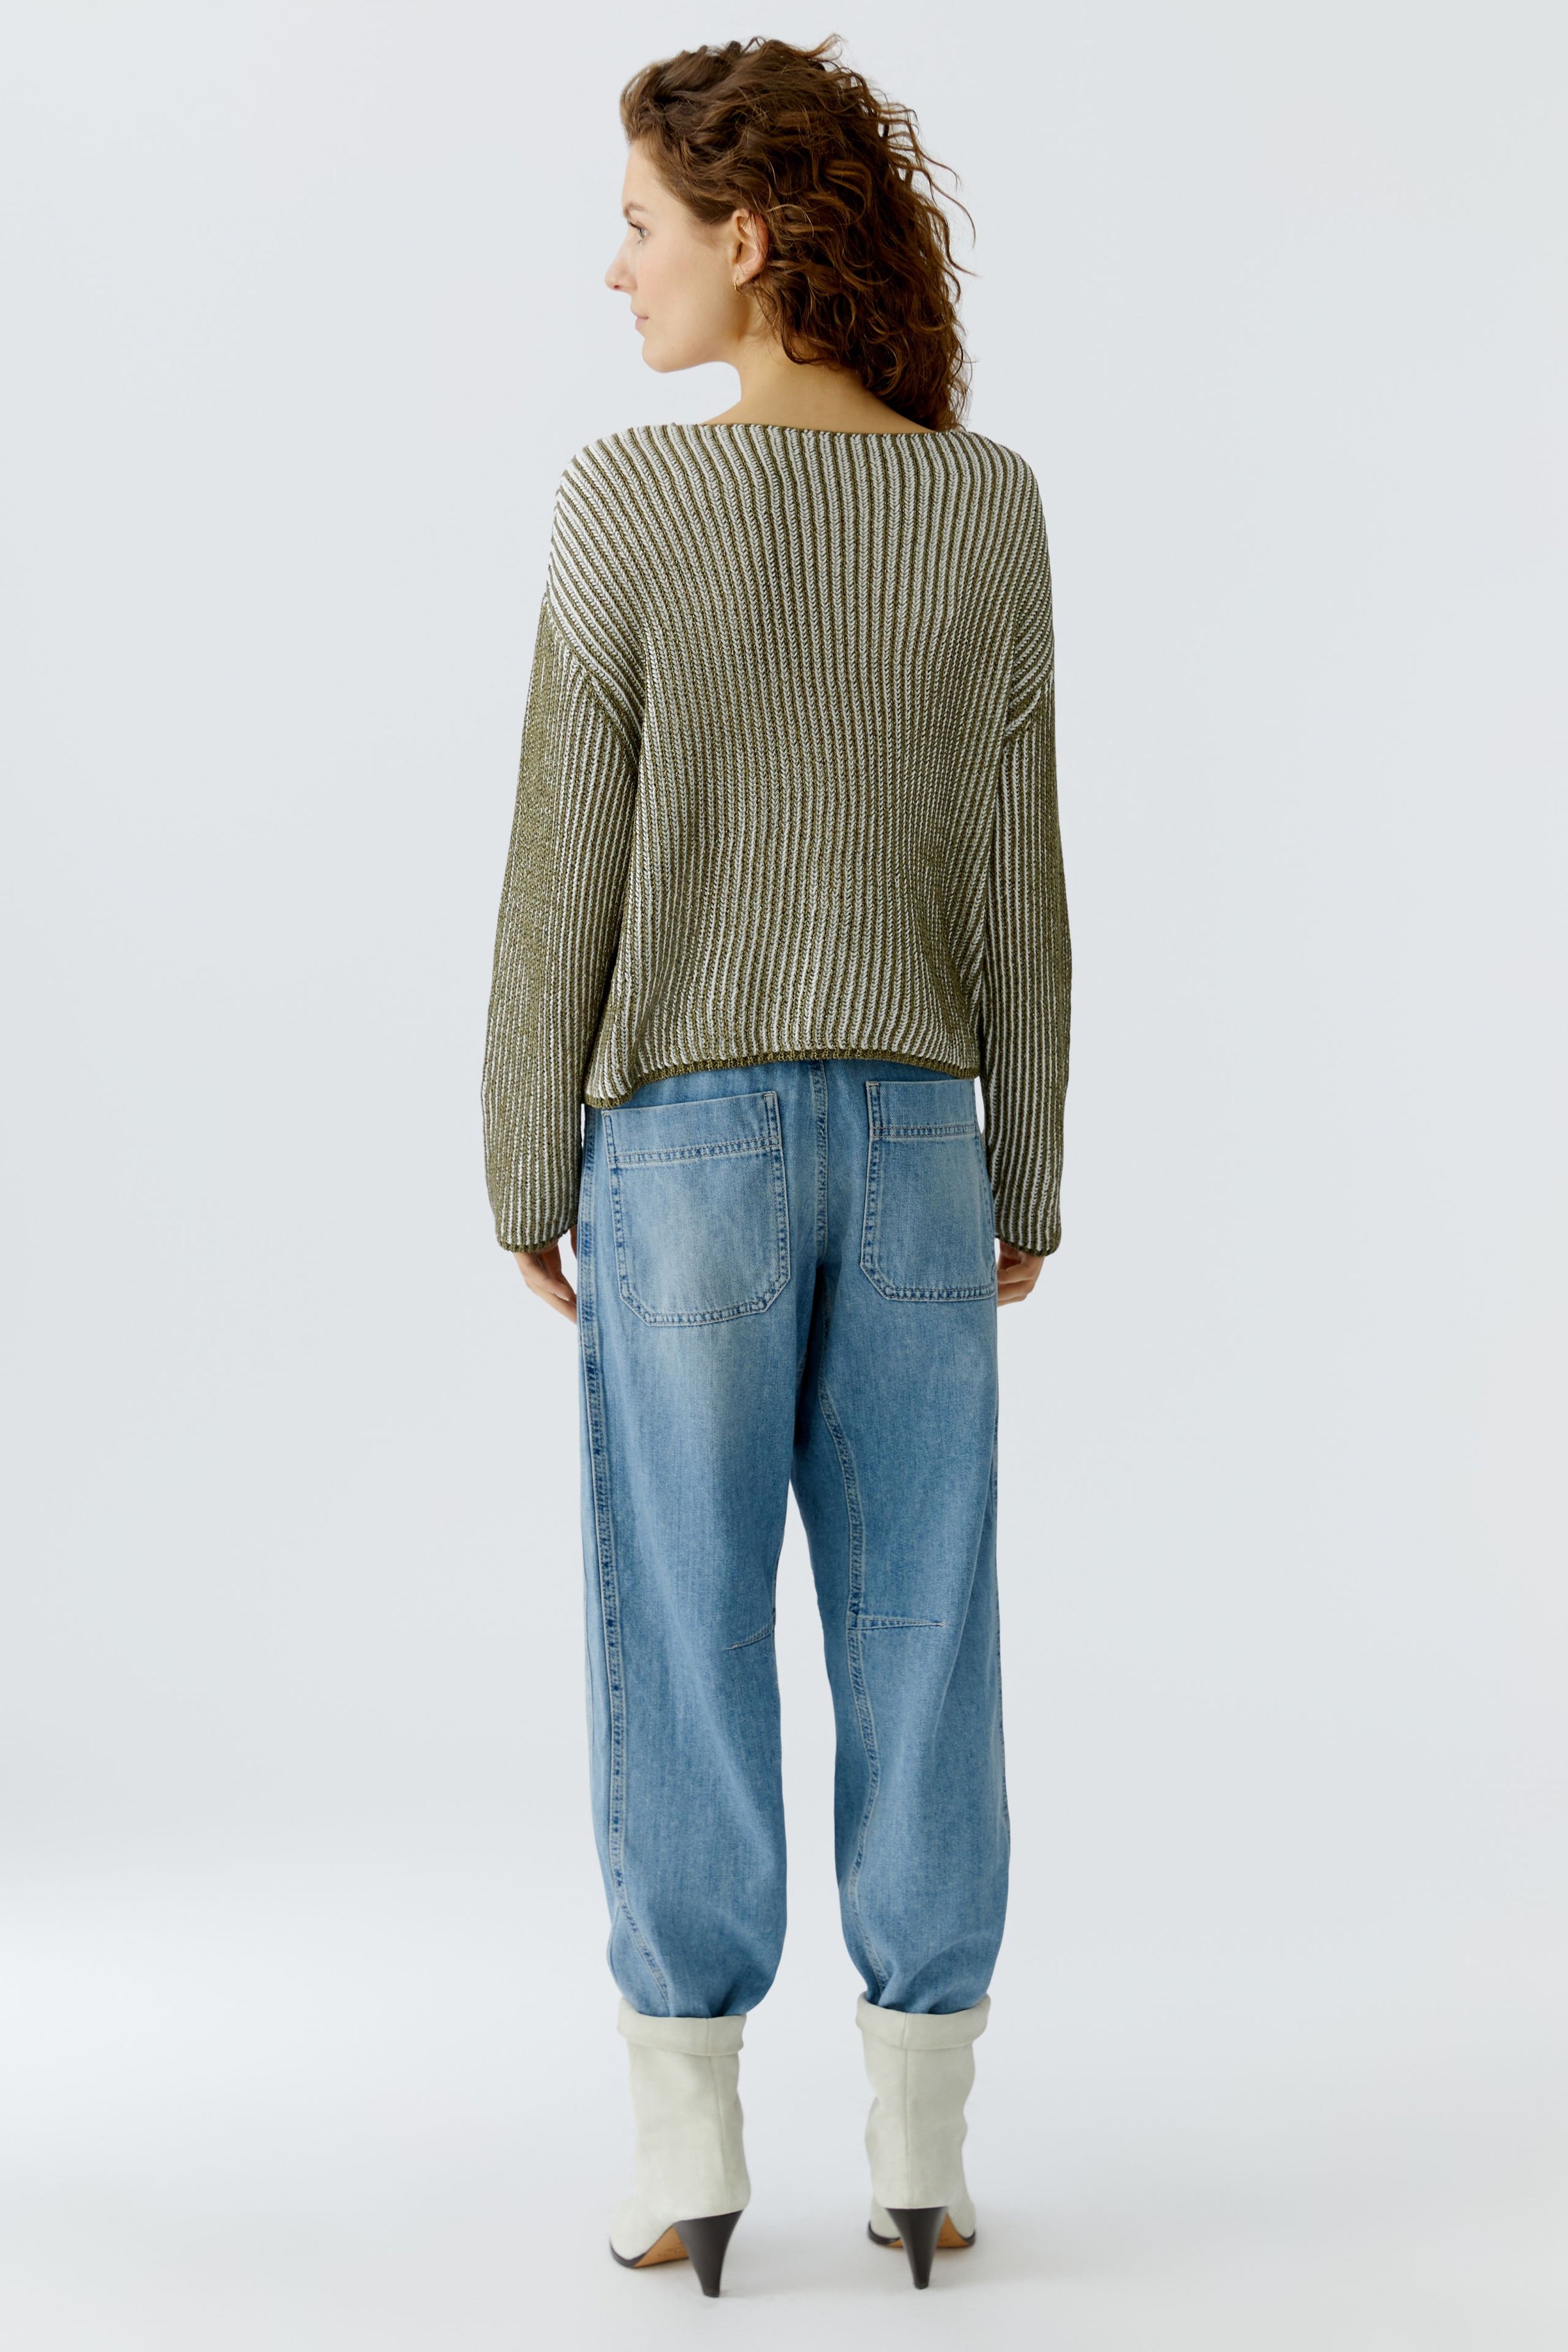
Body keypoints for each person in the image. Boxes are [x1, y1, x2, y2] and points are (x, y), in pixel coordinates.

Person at [482, 35, 1071, 2296]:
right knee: (926, 1630)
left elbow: (566, 859)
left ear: (746, 237)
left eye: (639, 223)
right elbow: (1019, 873)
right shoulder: (987, 505)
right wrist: (1029, 1162)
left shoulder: (630, 502)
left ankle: (690, 2157)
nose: (614, 267)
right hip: (921, 1141)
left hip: (687, 1145)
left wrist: (523, 1152)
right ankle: (920, 2157)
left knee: (685, 1630)